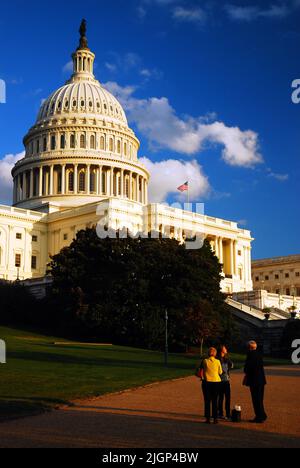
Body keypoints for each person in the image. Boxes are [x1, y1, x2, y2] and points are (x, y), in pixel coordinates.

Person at [244, 340, 267, 423]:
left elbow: (247, 368)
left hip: (254, 380)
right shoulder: (259, 354)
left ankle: (259, 417)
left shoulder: (250, 355)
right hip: (261, 379)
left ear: (249, 347)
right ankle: (262, 415)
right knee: (260, 399)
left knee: (256, 399)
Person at [199, 347, 223, 424]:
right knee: (215, 400)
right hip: (216, 382)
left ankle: (208, 418)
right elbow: (220, 372)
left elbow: (201, 370)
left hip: (207, 382)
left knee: (207, 400)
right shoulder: (218, 361)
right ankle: (215, 418)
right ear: (215, 353)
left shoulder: (205, 361)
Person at [217, 345, 233, 420]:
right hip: (221, 380)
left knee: (226, 397)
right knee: (221, 397)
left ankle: (226, 413)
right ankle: (221, 413)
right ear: (222, 350)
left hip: (226, 380)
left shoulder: (226, 358)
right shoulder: (218, 359)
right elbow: (224, 369)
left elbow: (231, 365)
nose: (226, 349)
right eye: (225, 348)